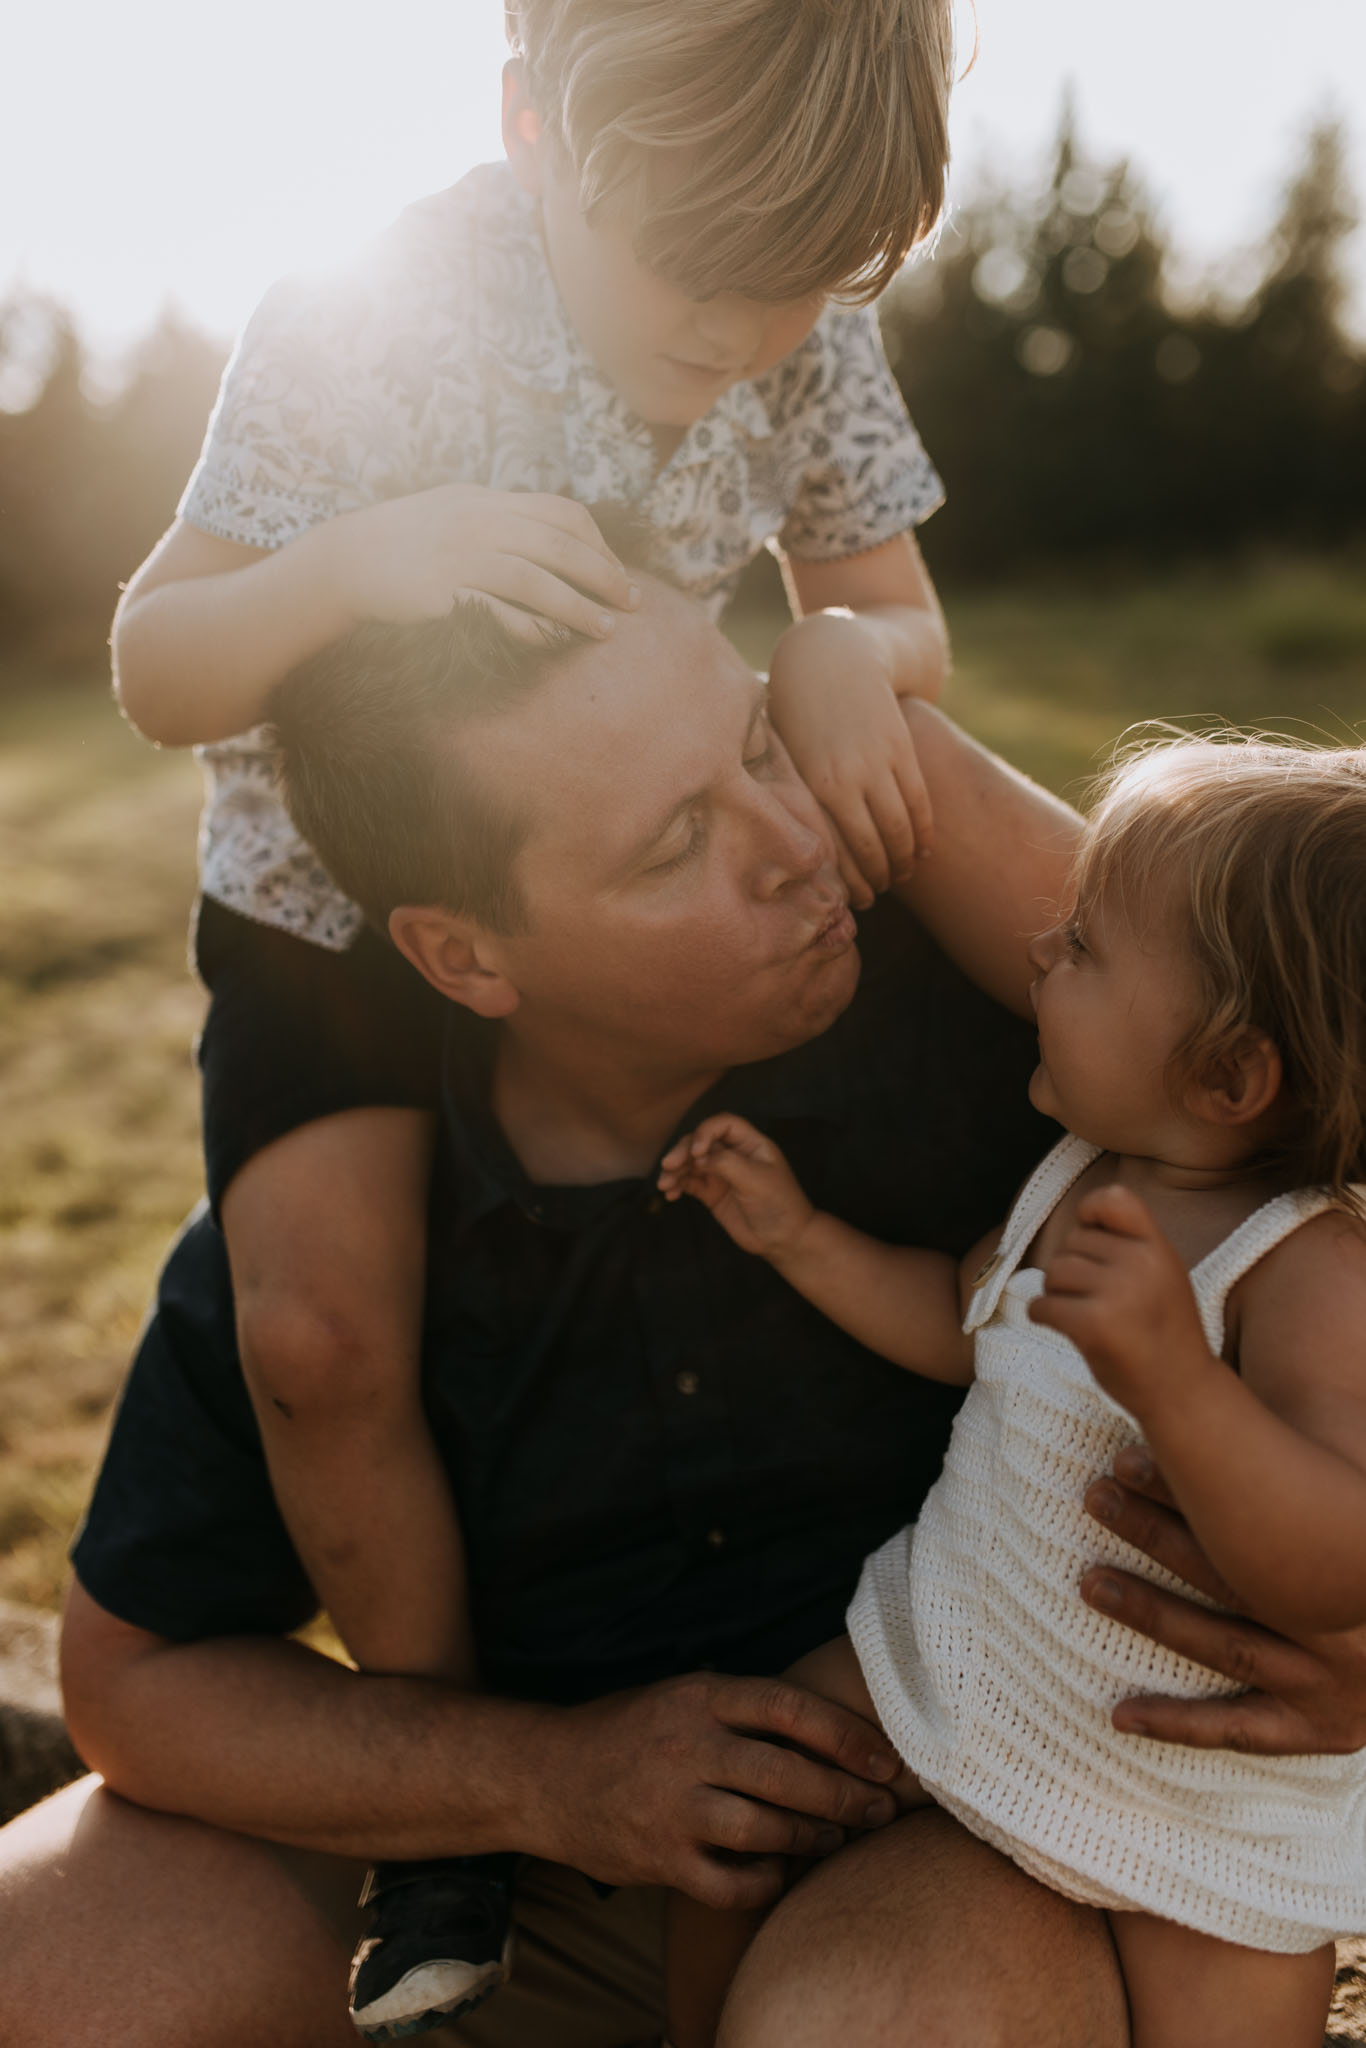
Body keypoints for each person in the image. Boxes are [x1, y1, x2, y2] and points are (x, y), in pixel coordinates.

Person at [6, 580, 1366, 2048]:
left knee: (888, 2021)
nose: (803, 849)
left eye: (764, 747)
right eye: (676, 843)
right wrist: (548, 1780)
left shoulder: (1045, 1047)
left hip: (953, 1820)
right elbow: (134, 1691)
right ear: (465, 956)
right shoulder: (334, 1223)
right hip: (476, 1847)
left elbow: (1306, 1174)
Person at [108, 3, 956, 2026]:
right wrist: (358, 565)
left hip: (630, 856)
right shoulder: (365, 317)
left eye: (795, 293)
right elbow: (158, 662)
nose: (741, 335)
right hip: (326, 918)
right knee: (320, 1336)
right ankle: (450, 1815)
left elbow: (898, 603)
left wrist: (849, 656)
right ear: (528, 133)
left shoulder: (790, 319)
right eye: (695, 281)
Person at [658, 734, 1366, 2048]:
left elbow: (1334, 1562)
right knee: (743, 1799)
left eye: (1085, 948)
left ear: (1228, 1074)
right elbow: (959, 1319)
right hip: (966, 1653)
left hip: (1194, 1786)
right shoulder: (1074, 1175)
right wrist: (795, 1237)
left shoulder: (1307, 1272)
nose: (1039, 950)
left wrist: (1172, 1382)